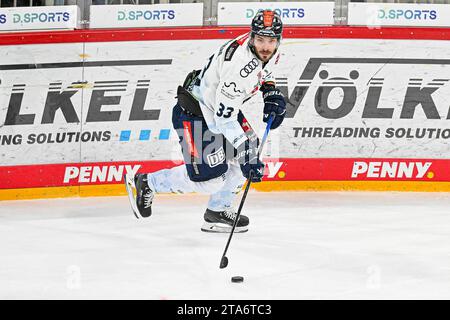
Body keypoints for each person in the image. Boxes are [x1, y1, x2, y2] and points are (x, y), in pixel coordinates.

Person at [126, 10, 286, 233]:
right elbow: (224, 119)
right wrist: (244, 148)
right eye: (260, 40)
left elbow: (265, 71)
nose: (265, 47)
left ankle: (217, 211)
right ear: (252, 37)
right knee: (212, 179)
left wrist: (270, 91)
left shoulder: (268, 52)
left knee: (248, 153)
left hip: (220, 107)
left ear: (278, 40)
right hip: (195, 113)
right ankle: (147, 182)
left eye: (271, 41)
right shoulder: (238, 67)